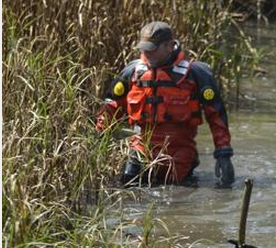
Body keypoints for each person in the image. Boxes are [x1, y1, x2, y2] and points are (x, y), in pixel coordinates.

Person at [96, 21, 235, 188]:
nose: (147, 54)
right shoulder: (132, 72)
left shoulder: (196, 74)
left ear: (170, 46)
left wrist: (223, 154)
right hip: (141, 150)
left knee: (179, 202)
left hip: (180, 155)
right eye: (144, 49)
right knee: (129, 195)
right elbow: (111, 107)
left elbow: (216, 116)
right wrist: (98, 143)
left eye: (152, 49)